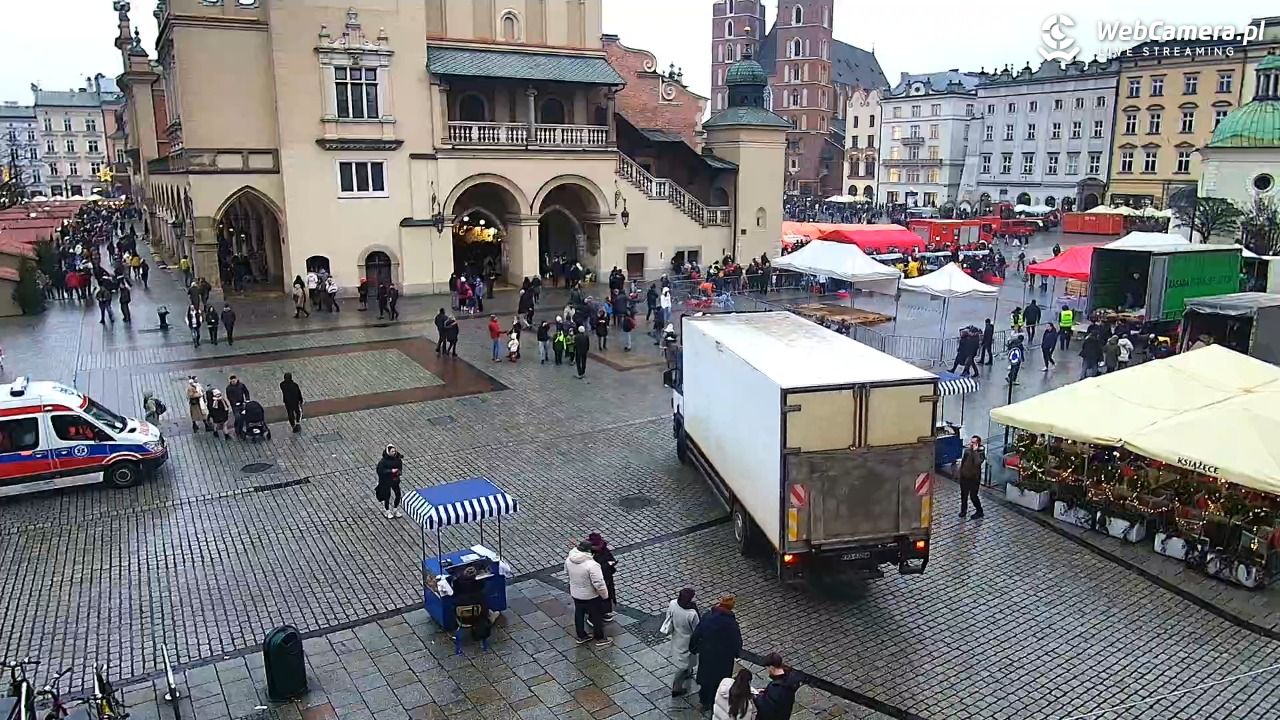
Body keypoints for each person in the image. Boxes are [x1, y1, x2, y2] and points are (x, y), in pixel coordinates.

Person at [691, 595, 743, 713]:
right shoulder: (731, 624)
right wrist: (736, 653)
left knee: (706, 678)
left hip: (707, 654)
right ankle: (716, 701)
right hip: (723, 658)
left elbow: (697, 633)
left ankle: (704, 702)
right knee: (720, 681)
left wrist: (694, 647)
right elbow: (736, 642)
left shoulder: (708, 616)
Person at [564, 540, 612, 647]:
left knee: (579, 613)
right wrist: (605, 595)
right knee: (596, 616)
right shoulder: (592, 565)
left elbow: (566, 573)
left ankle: (581, 636)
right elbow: (598, 583)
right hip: (591, 595)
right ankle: (600, 638)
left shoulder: (569, 560)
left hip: (576, 593)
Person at [663, 588, 700, 697]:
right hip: (688, 640)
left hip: (677, 636)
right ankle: (676, 687)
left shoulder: (673, 604)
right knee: (683, 664)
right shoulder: (692, 614)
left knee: (683, 660)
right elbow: (697, 629)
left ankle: (687, 672)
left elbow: (669, 616)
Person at [754, 653, 802, 720]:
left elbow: (765, 708)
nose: (767, 671)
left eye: (767, 668)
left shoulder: (776, 688)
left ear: (771, 667)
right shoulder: (790, 678)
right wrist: (766, 692)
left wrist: (758, 697)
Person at [587, 532, 617, 621]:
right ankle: (592, 617)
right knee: (595, 599)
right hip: (594, 580)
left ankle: (604, 613)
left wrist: (610, 564)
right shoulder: (587, 553)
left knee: (605, 596)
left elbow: (609, 558)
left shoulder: (604, 549)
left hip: (605, 578)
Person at [958, 435, 985, 519]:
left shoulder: (980, 453)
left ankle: (979, 511)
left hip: (974, 478)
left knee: (973, 496)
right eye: (971, 442)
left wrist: (975, 451)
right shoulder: (967, 451)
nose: (971, 444)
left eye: (973, 442)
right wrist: (961, 473)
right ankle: (963, 511)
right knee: (964, 495)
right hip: (965, 477)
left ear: (977, 444)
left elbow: (977, 463)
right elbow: (963, 462)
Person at [375, 445, 404, 518]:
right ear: (388, 452)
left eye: (394, 451)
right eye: (392, 451)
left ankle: (395, 509)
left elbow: (400, 467)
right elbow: (380, 471)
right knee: (387, 496)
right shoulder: (383, 461)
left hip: (395, 480)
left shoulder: (397, 459)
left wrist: (398, 472)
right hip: (386, 481)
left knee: (398, 494)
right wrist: (391, 471)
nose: (394, 453)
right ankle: (387, 510)